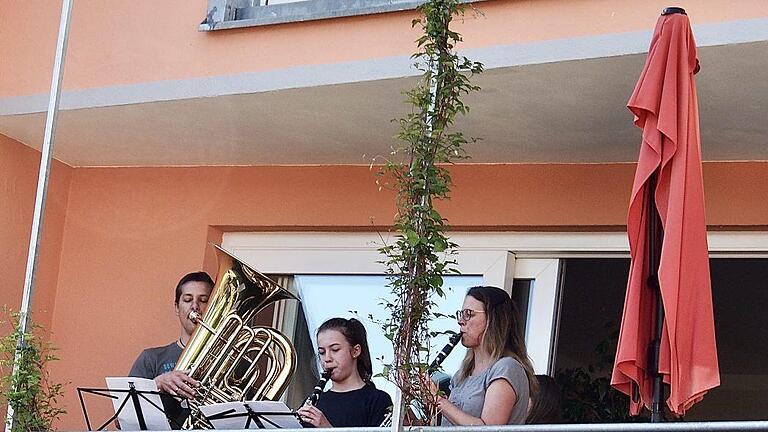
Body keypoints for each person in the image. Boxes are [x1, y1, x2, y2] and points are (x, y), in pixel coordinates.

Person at [437, 286, 537, 426]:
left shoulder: (507, 368)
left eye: (469, 314)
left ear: (492, 319)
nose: (461, 321)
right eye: (461, 314)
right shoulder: (461, 375)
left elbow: (488, 429)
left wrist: (438, 400)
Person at [128, 271, 214, 427]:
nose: (195, 306)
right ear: (176, 307)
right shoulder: (151, 358)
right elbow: (122, 421)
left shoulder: (232, 360)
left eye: (204, 300)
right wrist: (157, 384)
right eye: (188, 300)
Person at [296, 317, 392, 427]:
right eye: (322, 352)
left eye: (335, 350)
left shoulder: (377, 400)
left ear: (355, 351)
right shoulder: (313, 404)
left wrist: (327, 428)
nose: (327, 358)